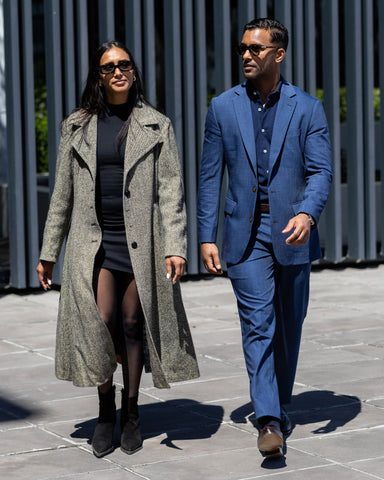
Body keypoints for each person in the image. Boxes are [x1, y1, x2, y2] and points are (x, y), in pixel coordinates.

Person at [36, 41, 199, 458]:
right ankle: (105, 409)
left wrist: (176, 246)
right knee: (100, 322)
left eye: (125, 64)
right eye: (109, 67)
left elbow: (171, 192)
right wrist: (49, 250)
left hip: (141, 244)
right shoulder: (76, 126)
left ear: (133, 71)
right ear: (99, 75)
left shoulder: (156, 124)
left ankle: (131, 411)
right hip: (94, 243)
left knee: (130, 325)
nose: (118, 71)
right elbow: (63, 194)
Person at [197, 18, 332, 459]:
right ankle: (269, 421)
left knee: (289, 327)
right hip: (244, 235)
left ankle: (279, 401)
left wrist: (308, 215)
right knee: (259, 326)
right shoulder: (222, 107)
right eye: (242, 49)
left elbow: (320, 171)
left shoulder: (308, 108)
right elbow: (210, 176)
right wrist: (206, 236)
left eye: (256, 49)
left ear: (279, 53)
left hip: (293, 233)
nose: (247, 55)